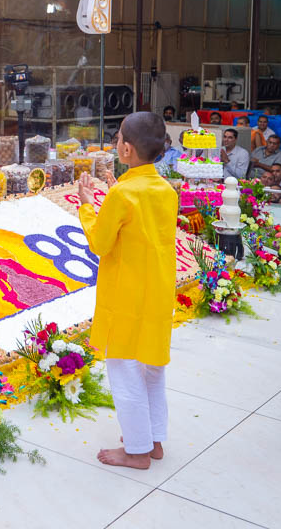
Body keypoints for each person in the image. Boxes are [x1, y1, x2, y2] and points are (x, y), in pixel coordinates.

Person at [76, 112, 179, 470]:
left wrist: (87, 206)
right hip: (157, 293)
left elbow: (101, 243)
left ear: (127, 149)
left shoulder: (123, 192)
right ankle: (153, 440)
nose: (116, 142)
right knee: (152, 368)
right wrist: (113, 192)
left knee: (123, 369)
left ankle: (136, 451)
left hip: (128, 295)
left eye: (119, 137)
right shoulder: (165, 189)